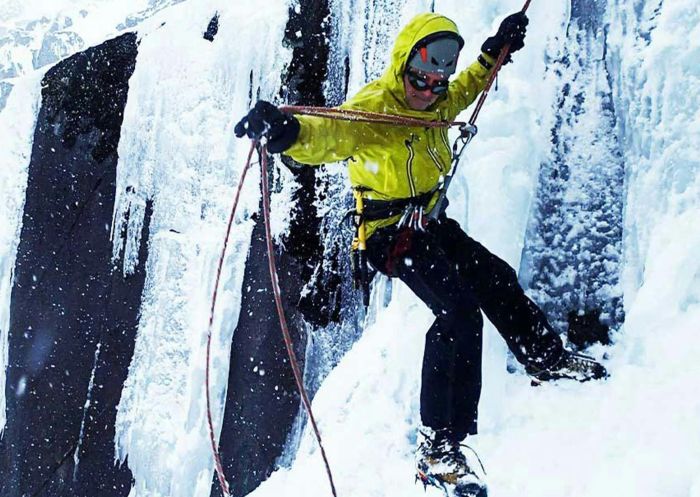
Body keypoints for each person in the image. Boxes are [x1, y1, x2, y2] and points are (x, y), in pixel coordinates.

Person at [235, 11, 607, 496]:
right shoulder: (376, 109)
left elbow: (464, 91)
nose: (429, 91)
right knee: (457, 314)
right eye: (420, 80)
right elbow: (329, 134)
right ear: (402, 67)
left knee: (495, 277)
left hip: (429, 222)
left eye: (436, 83)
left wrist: (495, 54)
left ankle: (544, 357)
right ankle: (438, 448)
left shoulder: (434, 101)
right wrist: (287, 134)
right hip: (390, 234)